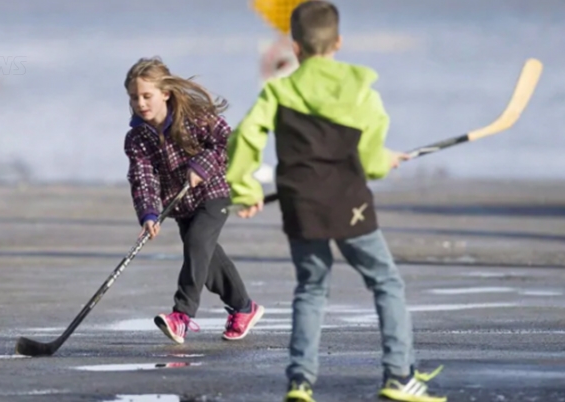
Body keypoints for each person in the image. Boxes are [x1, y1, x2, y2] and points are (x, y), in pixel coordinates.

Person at [225, 2, 446, 402]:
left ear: (295, 47)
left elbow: (244, 138)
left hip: (301, 203)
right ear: (338, 41)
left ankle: (300, 382)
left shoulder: (278, 89)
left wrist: (246, 189)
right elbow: (371, 159)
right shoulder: (361, 90)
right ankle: (399, 375)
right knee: (386, 282)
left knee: (311, 288)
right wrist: (385, 161)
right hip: (349, 202)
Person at [123, 57, 265, 345]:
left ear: (165, 93)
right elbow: (143, 177)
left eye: (147, 95)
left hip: (215, 191)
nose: (141, 103)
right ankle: (244, 307)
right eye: (134, 97)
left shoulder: (194, 116)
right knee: (207, 258)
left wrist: (201, 165)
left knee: (198, 243)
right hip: (181, 204)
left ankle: (182, 316)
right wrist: (149, 214)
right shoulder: (137, 138)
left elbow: (227, 141)